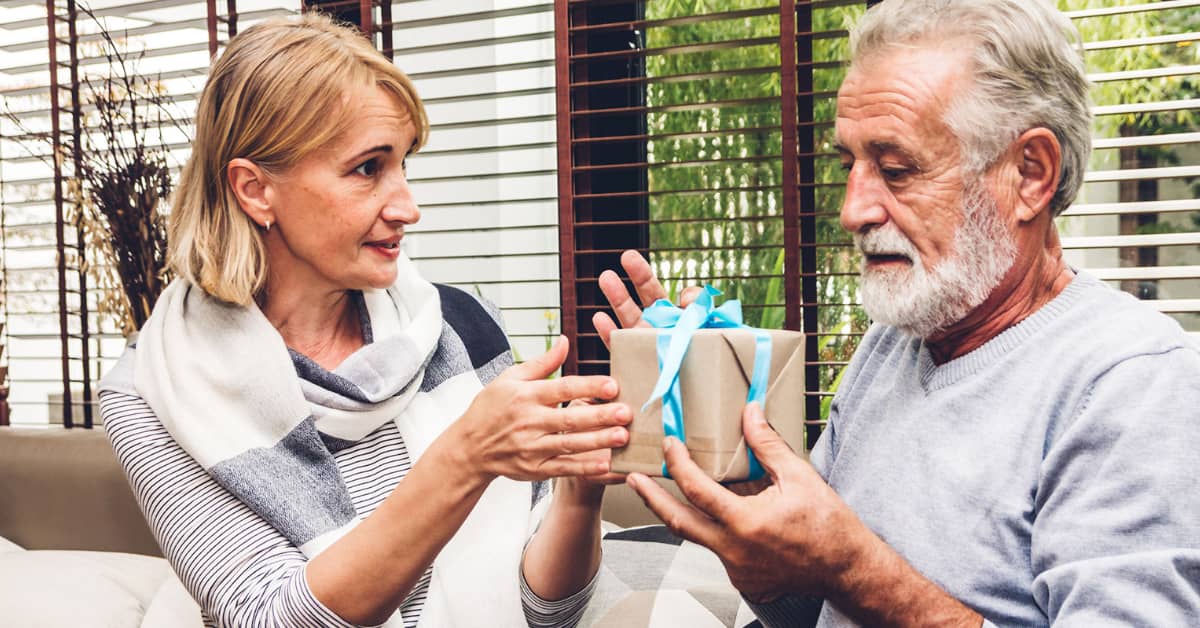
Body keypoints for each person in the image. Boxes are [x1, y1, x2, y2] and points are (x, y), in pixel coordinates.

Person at [595, 1, 1200, 626]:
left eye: (896, 169)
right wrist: (756, 517)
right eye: (847, 166)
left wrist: (853, 567)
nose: (853, 210)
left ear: (1030, 175)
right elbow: (817, 609)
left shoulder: (1133, 383)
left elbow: (849, 577)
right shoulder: (895, 342)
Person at [98, 14, 631, 628]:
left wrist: (583, 484)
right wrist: (463, 459)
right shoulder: (153, 389)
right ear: (254, 190)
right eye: (368, 168)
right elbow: (272, 617)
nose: (409, 206)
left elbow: (547, 614)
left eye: (404, 163)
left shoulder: (461, 327)